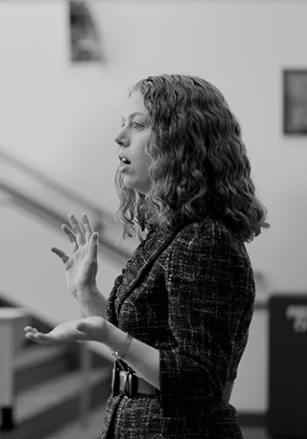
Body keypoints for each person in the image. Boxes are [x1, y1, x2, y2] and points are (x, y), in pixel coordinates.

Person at [24, 75, 268, 438]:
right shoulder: (168, 233)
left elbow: (201, 383)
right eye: (124, 124)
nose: (120, 137)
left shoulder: (204, 240)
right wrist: (88, 296)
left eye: (138, 125)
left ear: (180, 141)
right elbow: (142, 350)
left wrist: (110, 336)